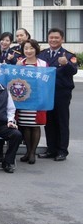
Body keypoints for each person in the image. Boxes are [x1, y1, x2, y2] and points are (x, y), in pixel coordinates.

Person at [38, 28, 78, 161]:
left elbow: (73, 71)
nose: (53, 40)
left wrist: (66, 64)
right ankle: (51, 149)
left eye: (56, 38)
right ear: (48, 39)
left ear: (62, 39)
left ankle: (62, 150)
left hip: (61, 93)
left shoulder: (68, 55)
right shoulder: (42, 54)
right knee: (48, 122)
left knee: (62, 121)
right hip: (46, 93)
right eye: (51, 37)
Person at [15, 39, 47, 165]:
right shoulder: (19, 63)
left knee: (35, 124)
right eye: (26, 48)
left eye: (31, 48)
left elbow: (47, 82)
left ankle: (33, 152)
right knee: (25, 125)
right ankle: (28, 151)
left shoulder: (43, 64)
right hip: (23, 98)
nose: (28, 51)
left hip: (37, 98)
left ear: (36, 49)